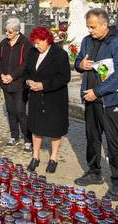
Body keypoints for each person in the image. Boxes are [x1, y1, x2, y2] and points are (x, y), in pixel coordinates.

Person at [74, 8, 118, 201]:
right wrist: (80, 65)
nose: (90, 30)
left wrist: (98, 91)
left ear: (104, 24)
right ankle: (94, 171)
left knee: (114, 141)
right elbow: (77, 61)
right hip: (90, 98)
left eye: (93, 27)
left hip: (110, 100)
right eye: (88, 27)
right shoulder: (87, 41)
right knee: (92, 137)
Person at [25, 26, 71, 173]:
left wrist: (43, 85)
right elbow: (27, 70)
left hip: (54, 97)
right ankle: (35, 156)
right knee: (36, 126)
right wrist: (28, 81)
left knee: (55, 129)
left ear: (47, 40)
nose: (36, 46)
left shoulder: (60, 54)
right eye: (35, 43)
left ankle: (54, 158)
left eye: (39, 43)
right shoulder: (32, 52)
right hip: (36, 97)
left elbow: (64, 77)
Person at [0, 18, 33, 151]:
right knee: (10, 111)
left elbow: (25, 64)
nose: (7, 34)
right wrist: (2, 75)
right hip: (6, 82)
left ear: (17, 32)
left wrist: (12, 76)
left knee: (20, 111)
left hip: (19, 84)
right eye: (6, 31)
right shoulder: (3, 43)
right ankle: (14, 136)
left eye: (10, 32)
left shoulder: (26, 43)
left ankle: (28, 139)